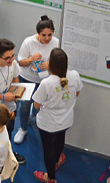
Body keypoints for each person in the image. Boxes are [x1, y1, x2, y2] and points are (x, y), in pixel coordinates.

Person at [31, 48, 81, 183]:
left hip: (48, 123)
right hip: (66, 120)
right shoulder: (74, 75)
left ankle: (50, 177)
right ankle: (57, 159)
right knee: (60, 140)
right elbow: (76, 93)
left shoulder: (47, 83)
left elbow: (36, 104)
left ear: (50, 64)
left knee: (48, 150)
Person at [14, 16, 59, 145]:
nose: (47, 38)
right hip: (26, 78)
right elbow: (21, 62)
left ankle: (33, 117)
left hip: (44, 81)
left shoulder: (56, 43)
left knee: (40, 104)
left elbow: (59, 61)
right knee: (24, 106)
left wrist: (50, 65)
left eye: (49, 35)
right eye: (43, 35)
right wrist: (30, 59)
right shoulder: (28, 42)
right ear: (37, 33)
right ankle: (23, 128)